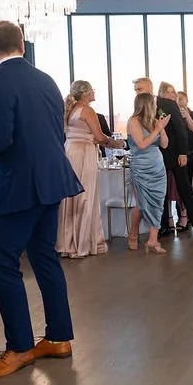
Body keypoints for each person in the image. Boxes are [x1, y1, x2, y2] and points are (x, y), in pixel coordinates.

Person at [0, 21, 83, 383]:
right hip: (51, 181)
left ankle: (20, 347)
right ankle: (58, 338)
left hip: (16, 186)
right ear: (23, 46)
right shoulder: (45, 79)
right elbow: (55, 132)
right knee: (44, 258)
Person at [132, 79, 193, 238]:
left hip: (175, 154)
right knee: (160, 193)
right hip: (156, 156)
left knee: (184, 189)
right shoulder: (140, 108)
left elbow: (181, 130)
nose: (137, 92)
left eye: (139, 89)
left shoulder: (167, 104)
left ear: (150, 88)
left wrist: (183, 153)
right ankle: (163, 226)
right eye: (136, 90)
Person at [57, 81, 120, 258]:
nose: (94, 92)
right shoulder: (87, 110)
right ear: (85, 93)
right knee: (85, 195)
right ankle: (81, 244)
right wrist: (115, 142)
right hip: (83, 154)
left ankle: (68, 243)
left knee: (71, 196)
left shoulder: (69, 110)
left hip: (69, 152)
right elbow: (100, 137)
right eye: (92, 89)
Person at [126, 93, 170, 254]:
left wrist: (162, 129)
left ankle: (152, 240)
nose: (156, 107)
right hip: (142, 168)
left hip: (157, 167)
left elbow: (164, 145)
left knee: (158, 203)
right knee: (142, 204)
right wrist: (157, 129)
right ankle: (132, 234)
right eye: (154, 104)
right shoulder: (133, 122)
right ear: (146, 104)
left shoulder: (153, 122)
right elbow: (142, 144)